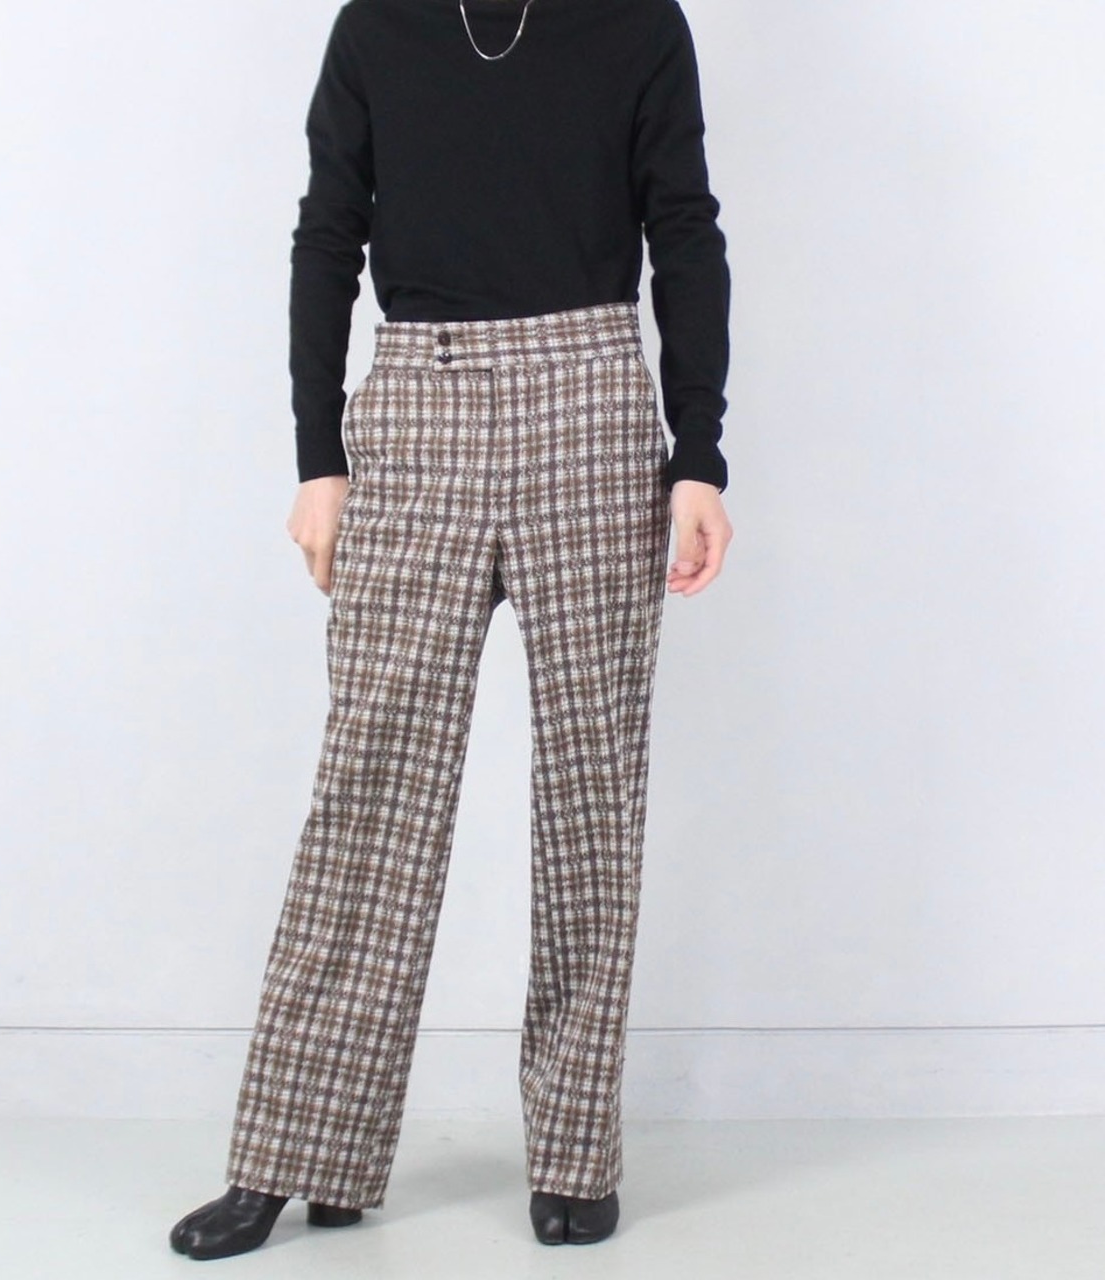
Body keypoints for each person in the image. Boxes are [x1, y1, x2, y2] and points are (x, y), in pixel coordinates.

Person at [170, 0, 733, 1259]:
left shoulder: (637, 21)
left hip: (590, 397)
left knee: (590, 789)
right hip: (416, 401)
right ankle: (301, 1149)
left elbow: (684, 228)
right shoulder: (378, 26)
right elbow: (328, 230)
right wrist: (319, 458)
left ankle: (575, 1149)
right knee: (371, 778)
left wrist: (697, 453)